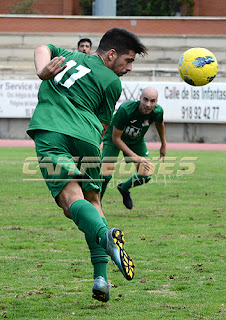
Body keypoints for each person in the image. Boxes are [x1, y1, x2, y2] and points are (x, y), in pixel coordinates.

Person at [27, 28, 147, 303]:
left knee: (71, 203)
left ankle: (105, 236)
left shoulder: (66, 55)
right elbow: (104, 124)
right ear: (111, 54)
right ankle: (101, 279)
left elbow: (41, 45)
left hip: (52, 131)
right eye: (128, 61)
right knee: (93, 201)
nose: (129, 67)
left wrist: (42, 71)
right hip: (89, 140)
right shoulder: (112, 83)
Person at [101, 86, 166, 209]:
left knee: (146, 175)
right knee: (105, 174)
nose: (148, 104)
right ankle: (96, 204)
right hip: (113, 137)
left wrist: (163, 144)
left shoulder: (157, 111)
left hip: (136, 140)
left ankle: (123, 188)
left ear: (156, 102)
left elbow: (160, 124)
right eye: (145, 99)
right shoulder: (126, 110)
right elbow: (116, 139)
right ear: (140, 98)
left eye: (152, 101)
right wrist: (136, 158)